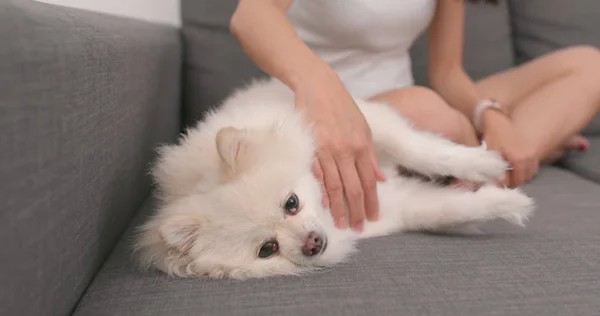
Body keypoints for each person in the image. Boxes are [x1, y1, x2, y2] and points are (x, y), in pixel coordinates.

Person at [229, 0, 600, 232]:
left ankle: (497, 147)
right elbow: (250, 17)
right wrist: (320, 84)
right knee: (431, 111)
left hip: (412, 115)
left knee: (590, 65)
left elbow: (448, 72)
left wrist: (492, 114)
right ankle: (511, 151)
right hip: (337, 117)